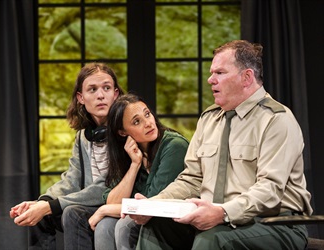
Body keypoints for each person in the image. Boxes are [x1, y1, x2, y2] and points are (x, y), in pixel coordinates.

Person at [130, 40, 313, 250]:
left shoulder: (276, 120)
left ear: (246, 77)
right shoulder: (209, 119)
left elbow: (269, 189)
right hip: (217, 221)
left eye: (219, 73)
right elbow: (191, 179)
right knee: (156, 227)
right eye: (211, 73)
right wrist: (154, 205)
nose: (210, 80)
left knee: (212, 239)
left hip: (274, 224)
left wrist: (223, 213)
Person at [9, 62, 125, 249]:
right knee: (40, 216)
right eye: (92, 89)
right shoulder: (83, 137)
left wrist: (51, 206)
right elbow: (71, 180)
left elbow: (106, 186)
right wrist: (42, 202)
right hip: (86, 203)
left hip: (114, 203)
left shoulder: (125, 132)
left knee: (72, 213)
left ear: (116, 94)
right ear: (81, 97)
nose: (101, 95)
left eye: (107, 88)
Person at [86, 93, 189, 250]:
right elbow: (113, 201)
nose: (148, 123)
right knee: (104, 226)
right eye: (137, 122)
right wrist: (135, 165)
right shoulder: (130, 154)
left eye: (147, 114)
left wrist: (103, 210)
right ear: (122, 132)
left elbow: (152, 205)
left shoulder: (174, 146)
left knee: (124, 225)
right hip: (146, 217)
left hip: (174, 223)